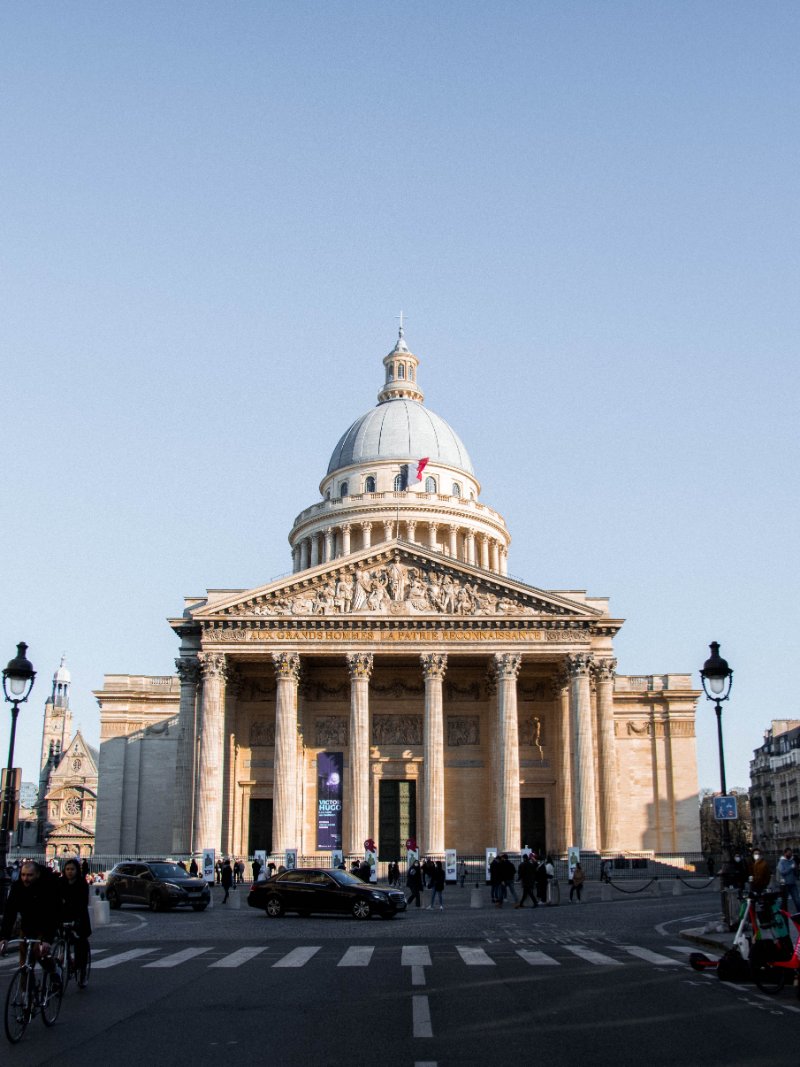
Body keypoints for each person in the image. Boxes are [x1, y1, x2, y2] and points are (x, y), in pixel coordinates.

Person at [0, 860, 62, 986]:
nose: (25, 878)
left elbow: (53, 914)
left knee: (40, 953)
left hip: (44, 926)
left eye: (29, 875)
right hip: (27, 927)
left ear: (37, 875)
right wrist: (4, 937)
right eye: (23, 875)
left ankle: (54, 970)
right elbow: (10, 912)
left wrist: (47, 940)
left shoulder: (47, 887)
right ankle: (26, 995)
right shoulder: (17, 887)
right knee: (24, 966)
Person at [59, 856, 91, 986]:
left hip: (79, 917)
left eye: (72, 869)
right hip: (64, 916)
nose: (69, 872)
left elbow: (83, 903)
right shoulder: (60, 883)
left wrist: (77, 920)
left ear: (77, 870)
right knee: (61, 941)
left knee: (80, 943)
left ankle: (81, 969)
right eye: (67, 869)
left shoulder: (82, 883)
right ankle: (61, 965)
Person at [777, 848, 800, 912]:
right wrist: (790, 867)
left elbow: (796, 873)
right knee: (784, 902)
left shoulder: (793, 861)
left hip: (793, 883)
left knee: (797, 900)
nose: (790, 854)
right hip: (785, 885)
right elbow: (782, 872)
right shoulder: (781, 862)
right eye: (789, 853)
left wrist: (796, 868)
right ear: (785, 853)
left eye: (791, 853)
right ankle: (784, 916)